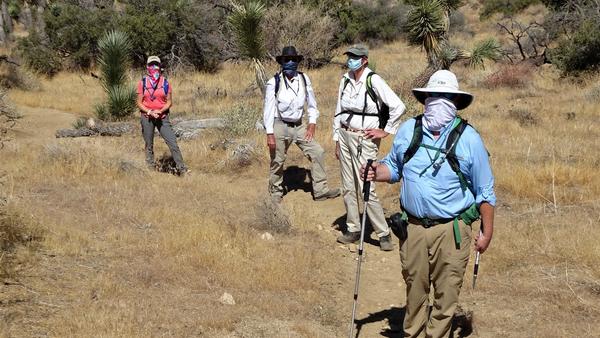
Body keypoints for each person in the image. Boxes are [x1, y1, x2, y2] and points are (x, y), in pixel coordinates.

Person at [362, 70, 496, 337]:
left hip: (452, 230)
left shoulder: (469, 138)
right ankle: (412, 333)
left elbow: (485, 191)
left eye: (446, 97)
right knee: (415, 289)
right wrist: (376, 172)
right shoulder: (409, 130)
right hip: (413, 229)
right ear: (425, 99)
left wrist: (487, 231)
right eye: (434, 96)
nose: (439, 101)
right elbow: (394, 167)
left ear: (455, 103)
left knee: (446, 294)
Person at [333, 44, 406, 251]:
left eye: (355, 57)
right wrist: (336, 138)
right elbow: (339, 110)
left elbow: (398, 106)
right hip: (346, 134)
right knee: (348, 184)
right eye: (349, 56)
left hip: (364, 139)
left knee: (367, 185)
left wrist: (386, 130)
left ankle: (383, 233)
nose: (351, 60)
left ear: (364, 59)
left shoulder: (373, 80)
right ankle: (353, 228)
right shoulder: (345, 79)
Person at [263, 46, 340, 203]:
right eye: (287, 59)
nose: (290, 62)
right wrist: (269, 133)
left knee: (317, 152)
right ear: (282, 62)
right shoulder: (274, 82)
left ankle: (320, 191)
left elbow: (312, 104)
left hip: (299, 126)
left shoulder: (304, 79)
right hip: (280, 125)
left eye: (293, 59)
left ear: (297, 61)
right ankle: (276, 191)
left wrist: (312, 124)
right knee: (277, 160)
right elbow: (268, 110)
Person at [137, 56, 188, 175]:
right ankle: (150, 169)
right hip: (147, 117)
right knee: (149, 144)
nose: (153, 68)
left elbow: (169, 102)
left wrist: (161, 110)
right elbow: (139, 102)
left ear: (160, 67)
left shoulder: (165, 82)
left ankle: (182, 169)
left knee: (172, 142)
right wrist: (149, 112)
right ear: (147, 67)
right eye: (151, 65)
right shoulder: (142, 83)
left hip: (162, 117)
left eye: (156, 65)